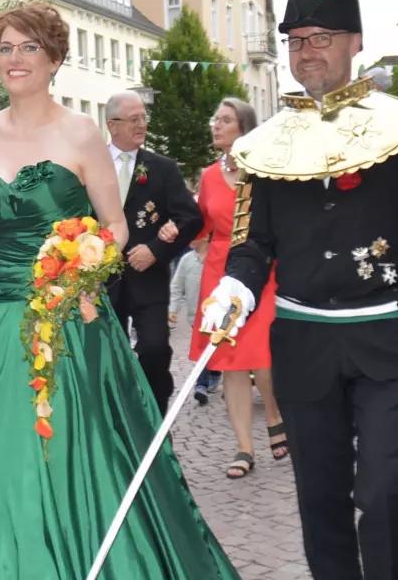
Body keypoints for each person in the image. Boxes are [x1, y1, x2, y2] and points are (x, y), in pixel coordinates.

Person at [0, 1, 261, 580]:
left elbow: (114, 228)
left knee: (69, 451)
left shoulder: (82, 133)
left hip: (67, 319)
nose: (14, 59)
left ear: (54, 58)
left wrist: (81, 265)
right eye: (5, 48)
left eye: (27, 47)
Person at [202, 0, 398, 580]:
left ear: (354, 41)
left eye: (321, 37)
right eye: (295, 40)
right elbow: (252, 240)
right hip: (303, 342)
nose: (306, 51)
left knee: (383, 488)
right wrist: (236, 280)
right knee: (319, 498)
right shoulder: (264, 145)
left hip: (387, 337)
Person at [191, 98, 287, 478]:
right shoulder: (209, 175)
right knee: (230, 361)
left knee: (260, 350)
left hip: (262, 272)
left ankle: (275, 412)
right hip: (219, 271)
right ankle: (244, 447)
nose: (217, 125)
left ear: (244, 129)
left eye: (226, 120)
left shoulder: (266, 172)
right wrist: (192, 243)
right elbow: (199, 224)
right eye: (216, 119)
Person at [104, 90, 202, 414]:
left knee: (155, 349)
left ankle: (156, 415)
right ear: (112, 125)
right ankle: (118, 421)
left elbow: (190, 217)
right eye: (133, 119)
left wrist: (157, 248)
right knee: (109, 356)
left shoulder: (162, 168)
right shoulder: (91, 167)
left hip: (150, 281)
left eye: (143, 117)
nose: (141, 125)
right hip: (102, 283)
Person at [168, 235, 221, 404]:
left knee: (212, 348)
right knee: (205, 348)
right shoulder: (186, 260)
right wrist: (172, 309)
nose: (189, 236)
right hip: (195, 316)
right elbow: (176, 287)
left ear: (206, 236)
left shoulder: (218, 258)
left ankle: (208, 379)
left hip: (216, 315)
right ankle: (203, 383)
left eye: (194, 233)